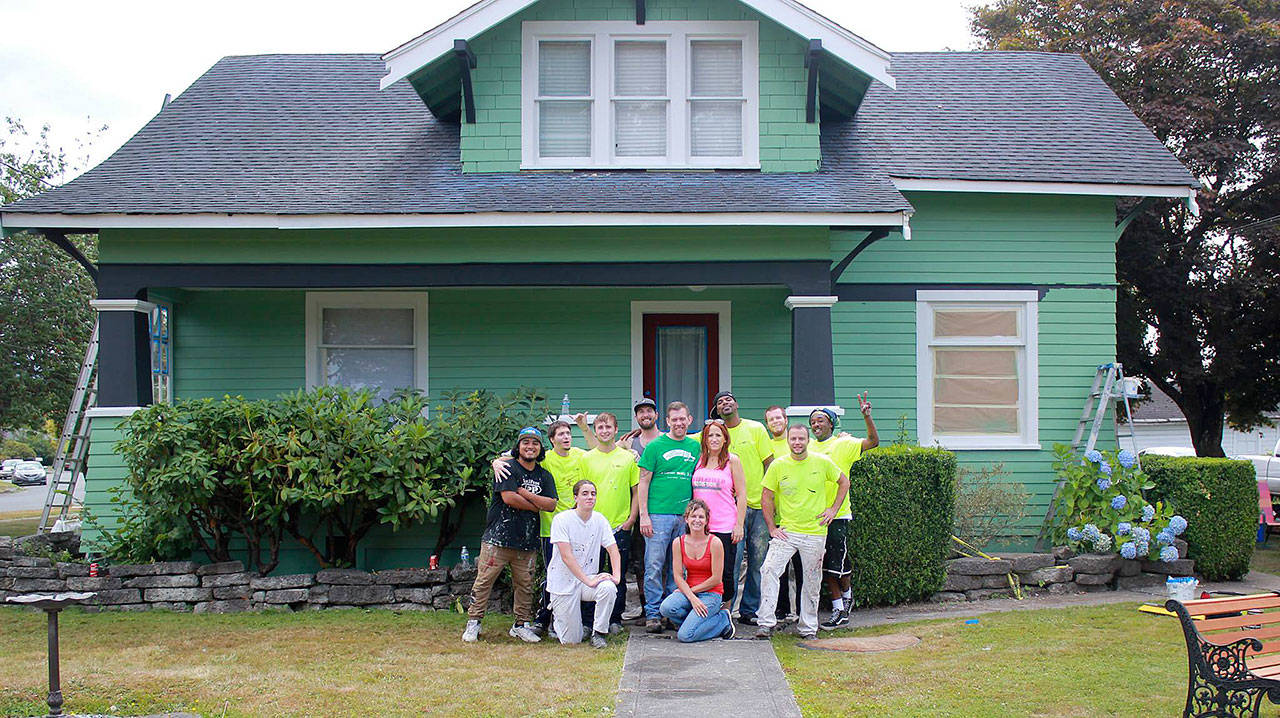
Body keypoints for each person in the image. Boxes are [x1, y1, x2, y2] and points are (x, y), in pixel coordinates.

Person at [463, 426, 558, 644]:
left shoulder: (544, 476)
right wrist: (535, 504)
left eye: (535, 443)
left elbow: (551, 504)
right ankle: (474, 622)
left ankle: (521, 625)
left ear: (540, 448)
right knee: (484, 581)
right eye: (525, 442)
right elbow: (508, 498)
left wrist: (523, 492)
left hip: (527, 541)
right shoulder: (507, 467)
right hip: (497, 538)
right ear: (518, 446)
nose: (530, 447)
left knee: (525, 585)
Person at [755, 424, 848, 640]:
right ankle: (765, 623)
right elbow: (766, 496)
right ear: (788, 441)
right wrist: (772, 528)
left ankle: (808, 628)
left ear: (808, 440)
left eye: (801, 439)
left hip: (815, 533)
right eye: (793, 439)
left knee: (812, 580)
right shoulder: (778, 465)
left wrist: (833, 510)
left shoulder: (822, 462)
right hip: (787, 532)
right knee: (769, 569)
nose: (797, 443)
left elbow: (843, 482)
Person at [809, 395, 879, 631]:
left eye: (820, 420)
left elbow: (873, 442)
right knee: (825, 565)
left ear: (831, 423)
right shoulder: (808, 447)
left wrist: (867, 416)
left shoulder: (843, 444)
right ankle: (839, 608)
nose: (816, 424)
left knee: (837, 564)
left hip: (838, 514)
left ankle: (846, 597)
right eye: (813, 422)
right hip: (814, 517)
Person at [637, 400, 699, 632]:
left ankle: (673, 611)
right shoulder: (655, 446)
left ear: (689, 420)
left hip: (685, 517)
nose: (679, 423)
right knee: (653, 565)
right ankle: (653, 613)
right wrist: (644, 515)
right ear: (667, 421)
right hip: (658, 514)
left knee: (679, 567)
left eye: (683, 419)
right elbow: (643, 481)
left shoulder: (695, 447)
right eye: (674, 419)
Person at [581, 411, 640, 632]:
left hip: (619, 527)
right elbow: (581, 492)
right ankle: (588, 621)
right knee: (590, 575)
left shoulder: (628, 458)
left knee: (619, 575)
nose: (604, 431)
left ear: (616, 430)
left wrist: (631, 519)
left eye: (608, 427)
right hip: (592, 526)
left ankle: (615, 619)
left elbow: (636, 491)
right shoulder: (586, 459)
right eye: (600, 428)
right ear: (595, 432)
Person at [547, 479, 622, 648]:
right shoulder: (561, 520)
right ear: (576, 498)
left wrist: (616, 577)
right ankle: (556, 619)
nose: (590, 497)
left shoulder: (600, 520)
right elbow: (566, 557)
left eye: (593, 494)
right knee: (572, 640)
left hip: (587, 580)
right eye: (585, 494)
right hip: (563, 583)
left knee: (608, 588)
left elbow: (613, 549)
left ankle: (599, 633)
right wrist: (588, 580)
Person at [690, 419, 746, 613]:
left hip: (724, 526)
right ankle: (704, 609)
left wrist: (739, 525)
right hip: (700, 527)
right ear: (704, 439)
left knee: (725, 571)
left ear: (725, 439)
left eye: (718, 435)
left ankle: (726, 610)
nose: (714, 439)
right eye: (710, 435)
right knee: (701, 570)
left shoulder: (732, 460)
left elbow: (742, 494)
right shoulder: (699, 460)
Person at [659, 499, 734, 642]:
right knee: (666, 608)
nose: (697, 520)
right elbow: (678, 576)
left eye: (701, 517)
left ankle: (723, 619)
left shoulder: (715, 543)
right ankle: (695, 622)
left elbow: (716, 579)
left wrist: (691, 593)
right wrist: (692, 597)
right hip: (690, 592)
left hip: (711, 594)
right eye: (693, 516)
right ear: (686, 519)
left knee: (685, 636)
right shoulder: (678, 542)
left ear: (706, 521)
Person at [755, 404, 803, 626]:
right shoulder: (766, 446)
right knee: (777, 567)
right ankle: (781, 610)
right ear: (767, 424)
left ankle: (802, 610)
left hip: (799, 517)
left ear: (786, 420)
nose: (775, 422)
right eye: (771, 419)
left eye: (778, 418)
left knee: (801, 568)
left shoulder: (797, 443)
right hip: (777, 517)